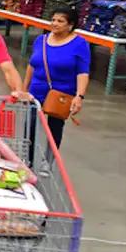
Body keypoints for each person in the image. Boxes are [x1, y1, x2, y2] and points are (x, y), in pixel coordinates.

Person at [23, 8, 90, 148]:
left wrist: (79, 96)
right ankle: (28, 162)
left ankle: (48, 162)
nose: (55, 23)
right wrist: (24, 90)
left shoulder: (80, 44)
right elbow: (32, 65)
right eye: (53, 20)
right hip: (35, 92)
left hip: (61, 94)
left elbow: (82, 72)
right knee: (29, 130)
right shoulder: (41, 40)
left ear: (70, 25)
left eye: (60, 21)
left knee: (54, 132)